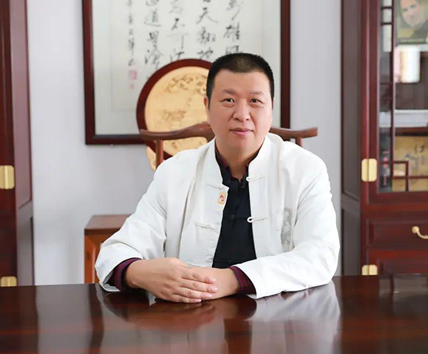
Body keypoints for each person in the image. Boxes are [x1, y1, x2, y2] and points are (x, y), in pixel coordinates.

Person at [95, 53, 339, 302]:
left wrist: (231, 280)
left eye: (255, 101)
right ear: (207, 107)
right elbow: (115, 252)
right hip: (190, 317)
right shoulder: (175, 172)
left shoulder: (305, 170)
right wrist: (140, 273)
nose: (242, 114)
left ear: (271, 109)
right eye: (228, 100)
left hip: (280, 316)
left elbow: (320, 255)